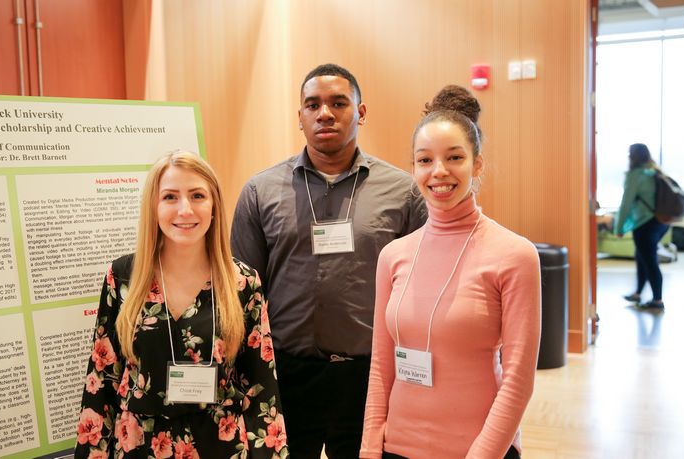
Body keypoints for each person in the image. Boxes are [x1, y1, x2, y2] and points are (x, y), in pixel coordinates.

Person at [231, 63, 426, 458]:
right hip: (285, 374)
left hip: (369, 375)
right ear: (299, 116)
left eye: (339, 103)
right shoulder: (260, 191)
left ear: (361, 112)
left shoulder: (403, 192)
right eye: (313, 104)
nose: (325, 113)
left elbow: (420, 290)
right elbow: (242, 294)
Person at [360, 85, 541, 459]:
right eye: (424, 160)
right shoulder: (394, 255)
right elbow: (381, 365)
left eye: (454, 157)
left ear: (477, 164)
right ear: (413, 168)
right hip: (397, 447)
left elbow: (518, 379)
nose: (439, 171)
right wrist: (368, 448)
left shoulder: (515, 255)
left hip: (476, 449)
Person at [75, 152, 287, 458]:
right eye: (170, 197)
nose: (185, 209)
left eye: (197, 195)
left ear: (214, 205)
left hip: (221, 444)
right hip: (139, 445)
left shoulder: (242, 282)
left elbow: (260, 383)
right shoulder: (124, 277)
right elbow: (102, 378)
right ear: (154, 206)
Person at [615, 143, 669, 310]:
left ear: (633, 156)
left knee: (649, 261)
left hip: (645, 225)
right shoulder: (654, 171)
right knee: (642, 257)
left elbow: (626, 203)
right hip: (661, 223)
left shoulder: (635, 175)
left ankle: (657, 301)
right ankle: (638, 293)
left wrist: (619, 227)